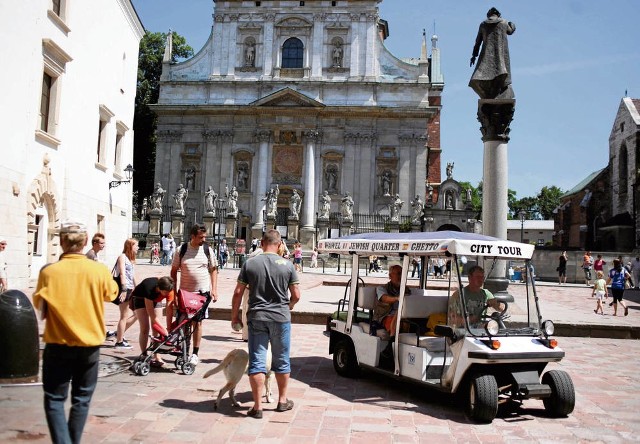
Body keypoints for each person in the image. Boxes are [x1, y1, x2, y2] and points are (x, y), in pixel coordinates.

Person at [33, 221, 119, 443]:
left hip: (58, 343)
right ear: (84, 241)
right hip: (89, 345)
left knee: (54, 399)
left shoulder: (49, 272)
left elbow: (40, 306)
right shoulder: (98, 270)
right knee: (81, 399)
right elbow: (112, 294)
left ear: (61, 242)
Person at [230, 229, 301, 419]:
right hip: (281, 318)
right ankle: (282, 401)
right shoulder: (288, 265)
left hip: (257, 318)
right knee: (282, 360)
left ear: (262, 243)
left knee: (257, 362)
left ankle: (257, 406)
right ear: (279, 245)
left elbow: (238, 292)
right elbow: (296, 295)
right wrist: (290, 305)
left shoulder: (250, 263)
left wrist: (235, 316)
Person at [171, 223, 219, 366]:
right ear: (192, 236)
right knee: (183, 323)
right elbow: (173, 272)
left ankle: (195, 354)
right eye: (200, 237)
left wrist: (214, 289)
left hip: (201, 293)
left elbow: (214, 269)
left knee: (197, 323)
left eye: (204, 236)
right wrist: (174, 293)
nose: (203, 239)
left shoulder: (207, 250)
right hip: (185, 292)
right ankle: (184, 350)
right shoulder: (182, 250)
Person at [469, 8, 516, 100]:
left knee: (482, 76)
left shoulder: (483, 24)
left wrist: (474, 56)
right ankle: (498, 92)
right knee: (501, 73)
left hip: (486, 57)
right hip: (500, 57)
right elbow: (510, 31)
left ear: (488, 15)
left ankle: (492, 94)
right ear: (498, 15)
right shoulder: (504, 22)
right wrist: (513, 25)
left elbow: (478, 42)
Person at [131, 276, 175, 366]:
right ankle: (144, 354)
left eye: (168, 292)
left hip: (156, 299)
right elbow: (152, 316)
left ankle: (157, 356)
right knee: (145, 328)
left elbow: (169, 310)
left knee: (157, 329)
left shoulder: (169, 290)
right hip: (140, 298)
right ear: (159, 288)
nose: (167, 294)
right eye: (165, 292)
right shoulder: (149, 288)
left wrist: (169, 327)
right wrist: (165, 331)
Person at [113, 238, 139, 349]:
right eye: (136, 245)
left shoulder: (130, 258)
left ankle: (119, 333)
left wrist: (137, 287)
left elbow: (132, 275)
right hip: (124, 289)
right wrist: (123, 290)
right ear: (130, 246)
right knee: (124, 316)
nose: (138, 247)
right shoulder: (122, 257)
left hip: (130, 289)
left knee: (137, 314)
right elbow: (122, 274)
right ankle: (119, 341)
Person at [373, 265, 410, 336]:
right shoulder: (381, 288)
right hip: (385, 316)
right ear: (390, 276)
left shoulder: (406, 290)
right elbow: (385, 298)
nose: (401, 276)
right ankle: (392, 342)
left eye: (403, 274)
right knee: (400, 321)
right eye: (399, 274)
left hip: (403, 315)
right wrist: (397, 298)